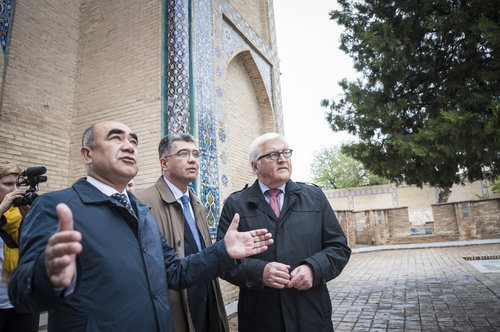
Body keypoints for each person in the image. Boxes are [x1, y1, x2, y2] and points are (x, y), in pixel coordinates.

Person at [8, 121, 273, 332]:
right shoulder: (56, 207)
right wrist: (47, 275)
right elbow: (22, 294)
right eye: (115, 138)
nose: (129, 146)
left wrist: (222, 251)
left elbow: (175, 272)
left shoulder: (140, 212)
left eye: (133, 141)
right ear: (87, 154)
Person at [217, 133, 351, 332]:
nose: (282, 159)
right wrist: (259, 272)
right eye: (272, 155)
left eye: (286, 153)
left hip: (311, 314)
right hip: (261, 318)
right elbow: (222, 261)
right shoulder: (236, 204)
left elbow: (339, 248)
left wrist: (313, 269)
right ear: (255, 166)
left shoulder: (314, 197)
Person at [137, 133, 228, 332]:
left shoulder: (197, 204)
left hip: (207, 301)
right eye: (183, 153)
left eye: (195, 154)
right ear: (164, 163)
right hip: (176, 308)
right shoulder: (143, 204)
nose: (192, 159)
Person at [0, 161, 39, 332]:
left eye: (17, 184)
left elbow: (35, 249)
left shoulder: (20, 214)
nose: (15, 190)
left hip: (23, 300)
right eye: (8, 184)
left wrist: (29, 218)